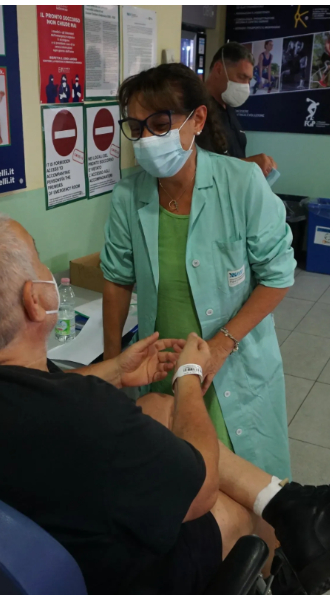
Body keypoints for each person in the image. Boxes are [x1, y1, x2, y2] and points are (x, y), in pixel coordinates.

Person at [0, 211, 329, 594]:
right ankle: (286, 562)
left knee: (157, 410)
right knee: (232, 509)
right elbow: (198, 490)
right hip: (103, 574)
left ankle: (289, 502)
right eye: (38, 258)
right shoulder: (86, 416)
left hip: (17, 520)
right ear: (35, 301)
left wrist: (113, 370)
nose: (46, 271)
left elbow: (31, 395)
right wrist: (187, 376)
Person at [103, 63, 295, 482]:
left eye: (159, 123)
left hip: (234, 365)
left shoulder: (241, 184)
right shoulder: (127, 196)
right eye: (137, 128)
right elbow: (117, 278)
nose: (147, 139)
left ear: (198, 120)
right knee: (179, 486)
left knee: (248, 486)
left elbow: (278, 276)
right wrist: (114, 364)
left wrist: (222, 346)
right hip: (162, 367)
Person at [204, 42, 277, 175]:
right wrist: (249, 164)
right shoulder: (197, 112)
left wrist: (258, 165)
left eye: (249, 80)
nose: (246, 86)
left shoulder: (228, 107)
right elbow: (200, 167)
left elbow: (233, 156)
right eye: (242, 77)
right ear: (219, 69)